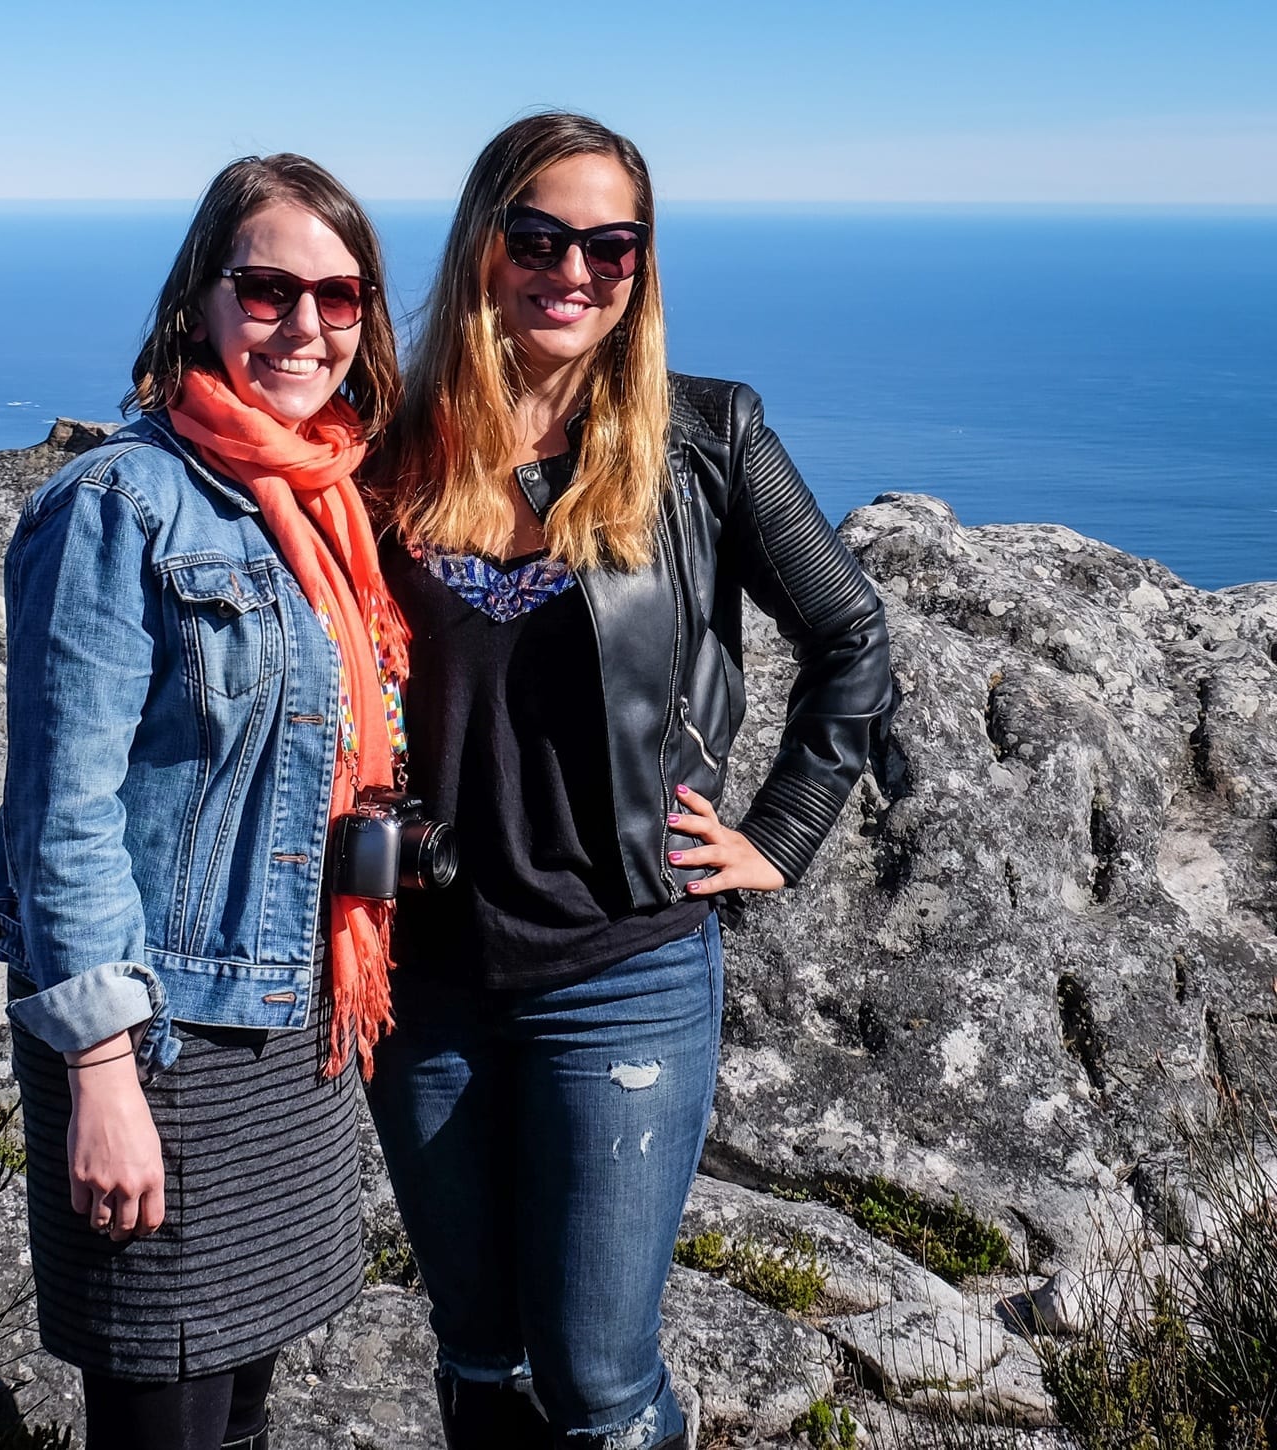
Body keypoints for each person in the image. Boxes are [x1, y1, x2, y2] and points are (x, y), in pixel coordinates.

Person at [367, 112, 895, 1449]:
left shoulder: (704, 440)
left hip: (624, 971)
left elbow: (851, 635)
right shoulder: (390, 451)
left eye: (613, 244)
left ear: (642, 264)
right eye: (541, 237)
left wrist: (783, 828)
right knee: (478, 1353)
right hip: (423, 977)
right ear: (486, 248)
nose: (575, 270)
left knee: (599, 1386)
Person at [0, 153, 406, 1450]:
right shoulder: (119, 504)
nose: (306, 326)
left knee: (243, 1405)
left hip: (290, 1026)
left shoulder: (329, 499)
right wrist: (101, 1073)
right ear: (201, 300)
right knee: (164, 1403)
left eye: (339, 297)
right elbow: (63, 816)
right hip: (161, 1040)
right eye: (268, 288)